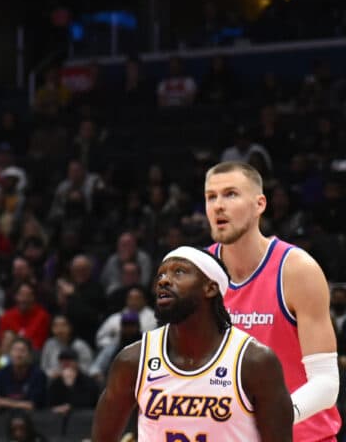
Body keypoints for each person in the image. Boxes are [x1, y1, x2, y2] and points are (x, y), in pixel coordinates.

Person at [91, 247, 293, 442]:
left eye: (178, 272)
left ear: (210, 288)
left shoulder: (254, 362)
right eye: (160, 275)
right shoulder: (133, 360)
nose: (164, 281)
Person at [205, 161, 341, 441]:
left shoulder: (297, 269)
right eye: (211, 197)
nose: (218, 205)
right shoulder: (197, 271)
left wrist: (262, 420)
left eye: (231, 194)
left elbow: (326, 384)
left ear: (260, 204)